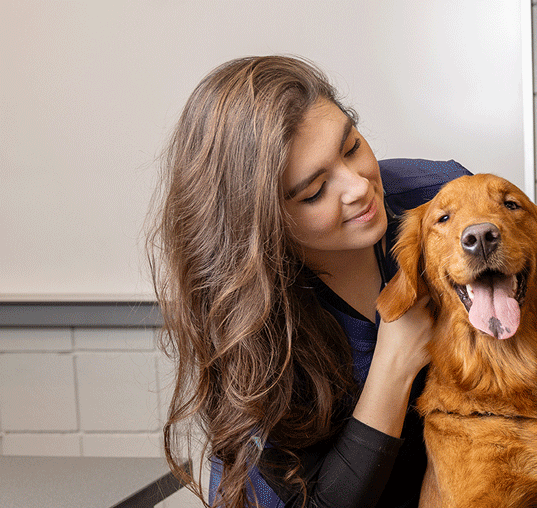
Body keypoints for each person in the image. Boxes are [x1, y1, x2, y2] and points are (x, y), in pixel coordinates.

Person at [151, 56, 474, 508]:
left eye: (352, 147)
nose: (358, 186)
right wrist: (394, 364)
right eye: (315, 191)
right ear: (263, 225)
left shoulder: (440, 200)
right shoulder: (251, 320)